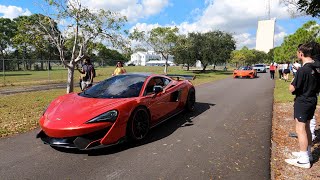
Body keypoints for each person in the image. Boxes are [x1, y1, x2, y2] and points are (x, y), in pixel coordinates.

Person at [285, 42, 320, 169]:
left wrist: (293, 81)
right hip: (312, 100)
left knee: (300, 130)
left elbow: (291, 88)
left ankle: (304, 159)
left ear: (301, 54)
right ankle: (307, 153)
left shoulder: (303, 70)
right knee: (306, 129)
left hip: (303, 101)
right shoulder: (316, 68)